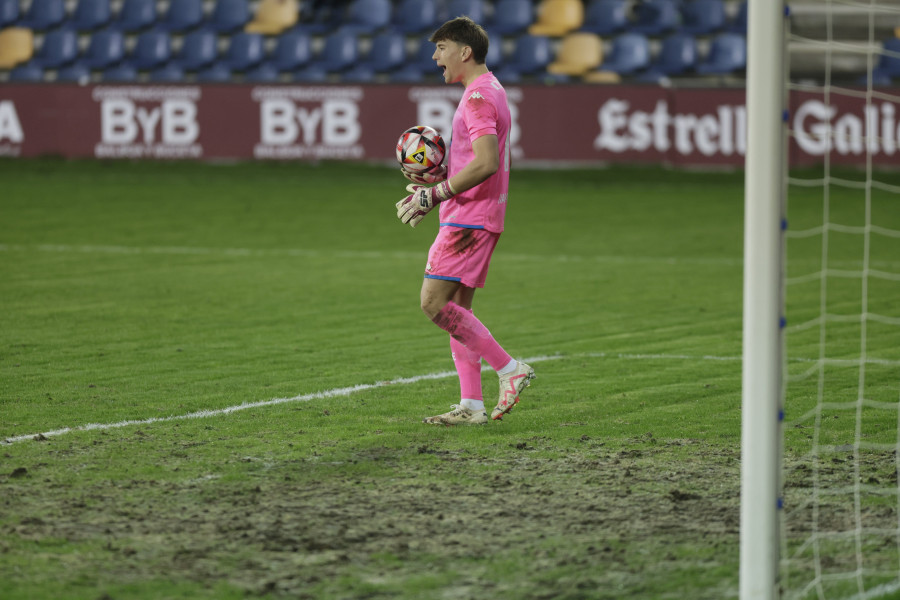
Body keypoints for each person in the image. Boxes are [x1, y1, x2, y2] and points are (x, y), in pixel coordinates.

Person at [395, 16, 535, 426]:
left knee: (433, 303)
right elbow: (477, 159)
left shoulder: (477, 98)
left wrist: (434, 194)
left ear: (464, 51)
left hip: (468, 220)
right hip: (475, 214)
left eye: (441, 48)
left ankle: (510, 369)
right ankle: (471, 405)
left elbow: (488, 162)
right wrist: (437, 180)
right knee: (459, 312)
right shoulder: (488, 89)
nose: (435, 56)